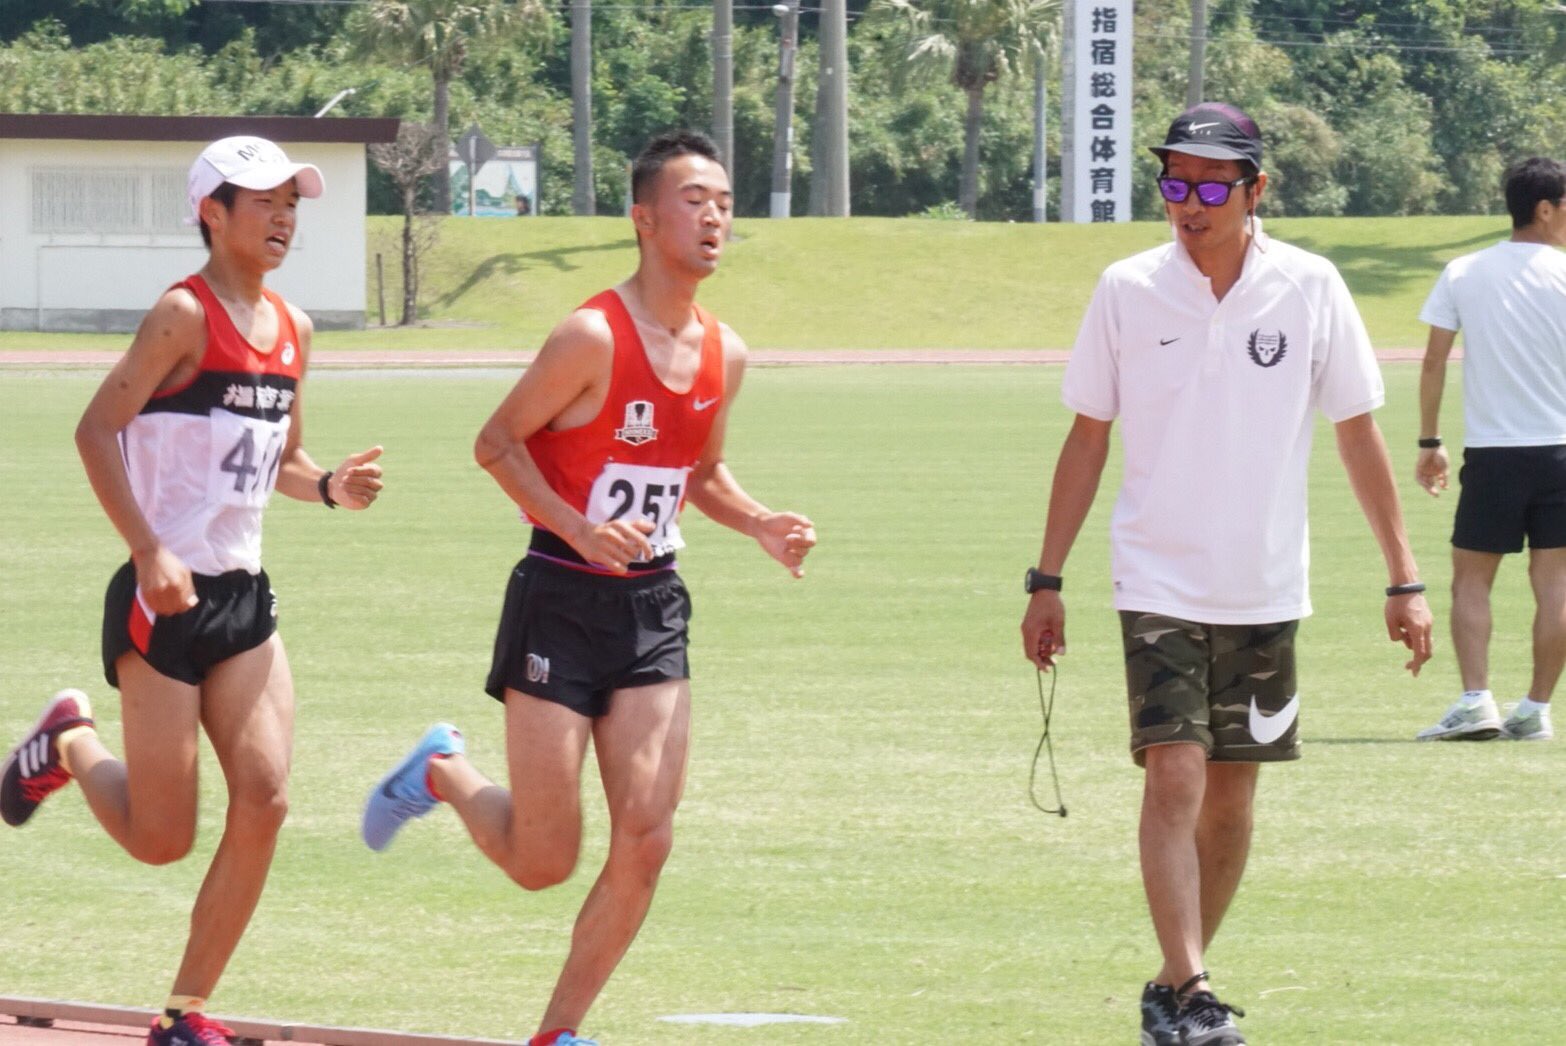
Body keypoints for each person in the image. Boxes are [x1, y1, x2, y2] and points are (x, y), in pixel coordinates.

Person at [360, 130, 816, 1046]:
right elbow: (496, 443)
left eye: (725, 202)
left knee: (648, 837)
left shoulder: (726, 353)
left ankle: (557, 1034)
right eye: (694, 200)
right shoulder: (592, 335)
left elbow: (699, 473)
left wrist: (761, 522)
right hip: (561, 597)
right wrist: (579, 528)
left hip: (653, 608)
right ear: (644, 218)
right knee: (544, 860)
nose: (715, 217)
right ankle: (442, 771)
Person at [1018, 103, 1433, 1046]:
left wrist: (1404, 579)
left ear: (1256, 190)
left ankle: (1172, 990)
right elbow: (1087, 436)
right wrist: (1047, 578)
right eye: (1175, 182)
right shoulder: (1127, 288)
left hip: (1265, 586)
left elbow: (1358, 432)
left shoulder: (1311, 286)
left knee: (1233, 798)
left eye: (1212, 186)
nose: (1190, 204)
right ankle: (1196, 987)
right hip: (1154, 579)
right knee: (1175, 775)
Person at [0, 136, 385, 1046]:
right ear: (213, 212)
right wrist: (148, 551)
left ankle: (182, 1013)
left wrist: (331, 486)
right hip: (163, 600)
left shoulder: (296, 328)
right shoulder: (182, 314)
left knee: (268, 798)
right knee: (160, 839)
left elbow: (284, 461)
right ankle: (70, 742)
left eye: (292, 202)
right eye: (264, 201)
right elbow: (96, 430)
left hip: (244, 601)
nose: (284, 216)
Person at [1413, 156, 1566, 743]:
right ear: (1544, 209)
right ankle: (1535, 709)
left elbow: (1433, 362)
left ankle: (1476, 700)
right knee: (1555, 583)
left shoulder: (1463, 271)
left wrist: (1430, 440)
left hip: (1494, 454)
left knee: (1471, 580)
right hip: (1560, 452)